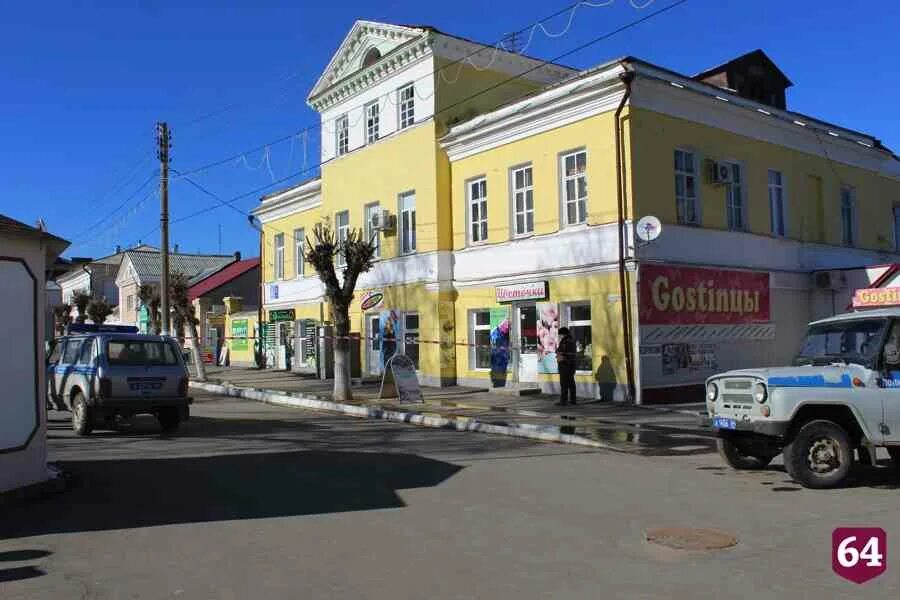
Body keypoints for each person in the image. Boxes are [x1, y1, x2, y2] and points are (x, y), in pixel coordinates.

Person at [556, 326, 577, 406]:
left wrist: (558, 352)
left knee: (564, 383)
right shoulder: (572, 340)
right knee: (571, 383)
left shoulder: (565, 341)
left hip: (565, 364)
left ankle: (563, 401)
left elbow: (561, 351)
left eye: (560, 335)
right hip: (571, 364)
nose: (560, 336)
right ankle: (573, 400)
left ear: (563, 334)